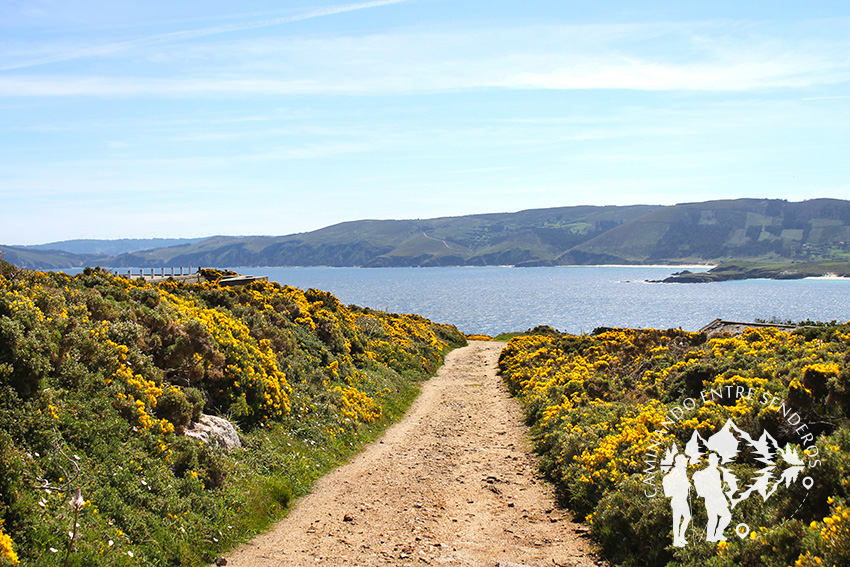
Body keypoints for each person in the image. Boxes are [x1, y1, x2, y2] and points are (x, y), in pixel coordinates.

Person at [692, 452, 732, 541]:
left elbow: (716, 486)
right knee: (714, 518)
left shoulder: (716, 472)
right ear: (710, 462)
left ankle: (716, 534)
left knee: (724, 516)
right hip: (712, 498)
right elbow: (699, 479)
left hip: (718, 497)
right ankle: (712, 537)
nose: (715, 463)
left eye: (716, 461)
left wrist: (722, 489)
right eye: (714, 461)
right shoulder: (706, 473)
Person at [662, 453, 692, 547]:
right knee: (677, 520)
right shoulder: (676, 471)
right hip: (678, 499)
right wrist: (685, 484)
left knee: (686, 517)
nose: (686, 463)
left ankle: (681, 537)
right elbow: (678, 483)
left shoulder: (681, 471)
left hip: (682, 499)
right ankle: (677, 540)